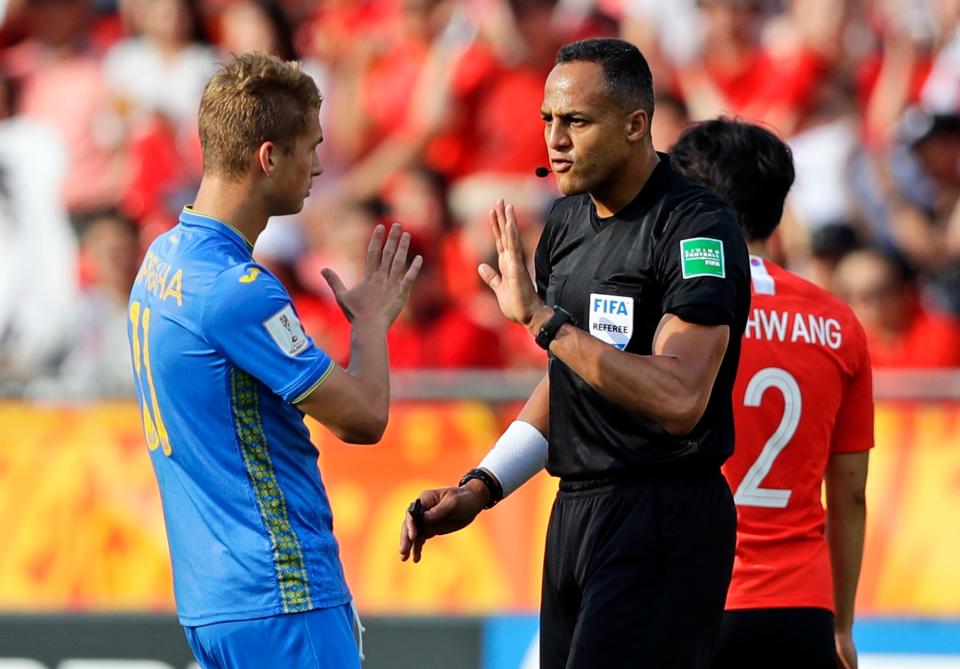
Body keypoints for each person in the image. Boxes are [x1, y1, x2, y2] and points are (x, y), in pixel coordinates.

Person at [399, 38, 751, 669]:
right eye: (547, 121)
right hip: (575, 514)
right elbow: (569, 383)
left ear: (635, 124)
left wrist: (543, 320)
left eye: (576, 122)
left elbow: (680, 398)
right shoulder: (563, 225)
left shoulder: (695, 227)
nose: (554, 139)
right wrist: (481, 486)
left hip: (662, 513)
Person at [127, 52, 421, 669]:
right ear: (269, 157)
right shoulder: (236, 289)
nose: (318, 165)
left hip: (212, 603)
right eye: (309, 147)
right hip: (281, 596)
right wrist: (370, 324)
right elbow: (363, 418)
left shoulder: (161, 258)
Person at [670, 119, 874, 669]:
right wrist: (844, 621)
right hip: (802, 607)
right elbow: (849, 497)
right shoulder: (838, 323)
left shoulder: (678, 314)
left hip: (692, 596)